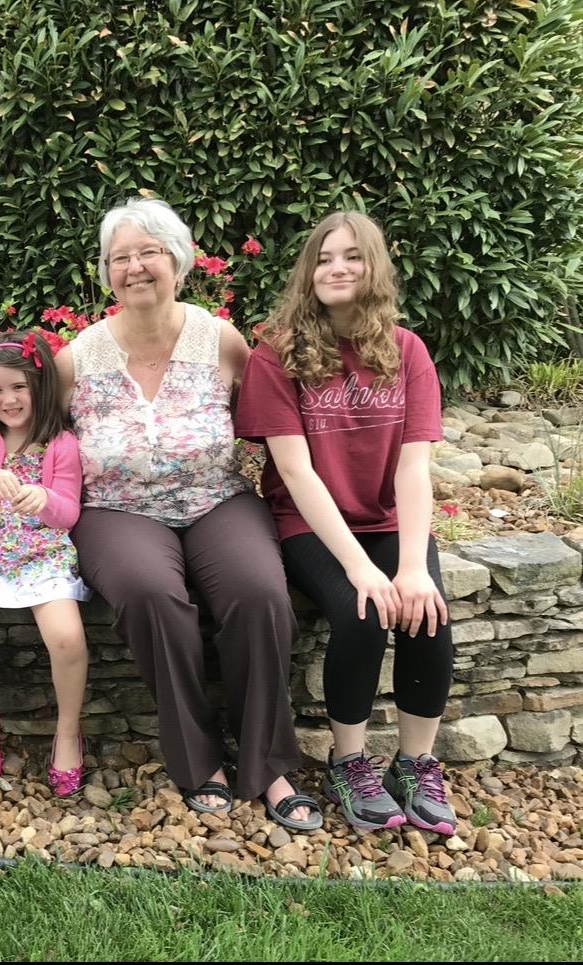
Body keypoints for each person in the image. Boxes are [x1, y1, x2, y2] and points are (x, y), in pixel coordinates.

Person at [56, 197, 321, 832]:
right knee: (151, 595)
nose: (135, 267)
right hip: (117, 509)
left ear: (177, 262)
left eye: (149, 253)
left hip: (217, 500)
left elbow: (279, 424)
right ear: (106, 274)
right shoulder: (77, 357)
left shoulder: (220, 340)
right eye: (120, 258)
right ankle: (200, 761)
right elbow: (26, 435)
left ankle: (269, 763)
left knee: (260, 593)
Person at [234, 211, 455, 835]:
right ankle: (349, 761)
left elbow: (414, 468)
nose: (337, 267)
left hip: (386, 520)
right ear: (309, 271)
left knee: (428, 613)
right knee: (362, 614)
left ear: (374, 268)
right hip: (307, 523)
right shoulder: (276, 353)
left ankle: (415, 763)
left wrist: (412, 567)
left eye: (352, 256)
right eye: (325, 257)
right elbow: (297, 474)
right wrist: (360, 569)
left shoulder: (407, 350)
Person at [0, 330, 91, 796]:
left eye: (18, 387)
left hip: (43, 555)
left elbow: (68, 514)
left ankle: (68, 730)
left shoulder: (60, 442)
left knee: (67, 636)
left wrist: (43, 498)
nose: (8, 399)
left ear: (39, 386)